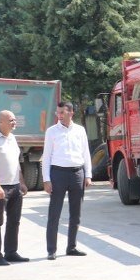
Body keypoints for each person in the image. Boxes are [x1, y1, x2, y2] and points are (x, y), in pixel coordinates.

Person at [41, 101, 92, 260]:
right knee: (54, 213)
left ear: (71, 113)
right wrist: (46, 179)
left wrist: (88, 174)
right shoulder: (52, 131)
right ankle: (51, 250)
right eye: (58, 113)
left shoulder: (80, 130)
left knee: (75, 214)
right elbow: (47, 156)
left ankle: (72, 247)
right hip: (58, 174)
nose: (59, 115)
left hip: (77, 173)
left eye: (62, 112)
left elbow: (86, 153)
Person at [0, 110, 30, 266]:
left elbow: (16, 163)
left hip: (14, 186)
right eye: (11, 120)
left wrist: (21, 182)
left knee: (14, 221)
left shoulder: (12, 138)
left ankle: (11, 252)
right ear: (1, 122)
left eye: (15, 120)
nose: (14, 122)